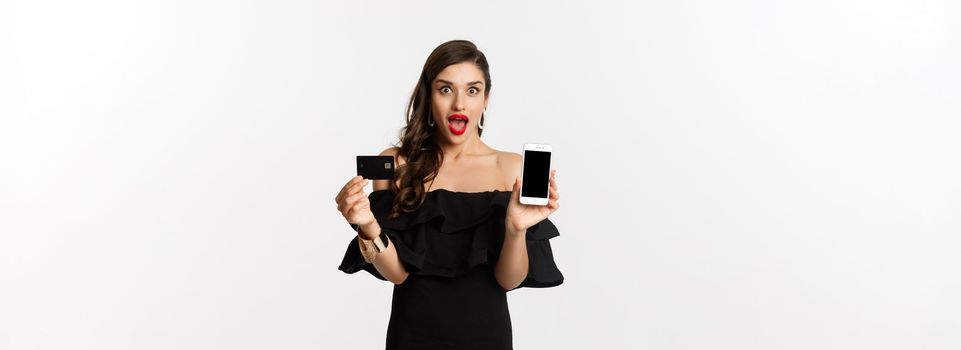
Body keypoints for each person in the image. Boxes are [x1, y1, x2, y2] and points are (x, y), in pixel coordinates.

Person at [336, 39, 563, 350]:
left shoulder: (511, 167)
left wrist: (515, 230)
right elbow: (398, 274)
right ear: (429, 97)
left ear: (486, 99)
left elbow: (508, 280)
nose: (459, 104)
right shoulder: (397, 163)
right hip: (412, 336)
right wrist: (367, 226)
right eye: (445, 89)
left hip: (487, 337)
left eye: (472, 90)